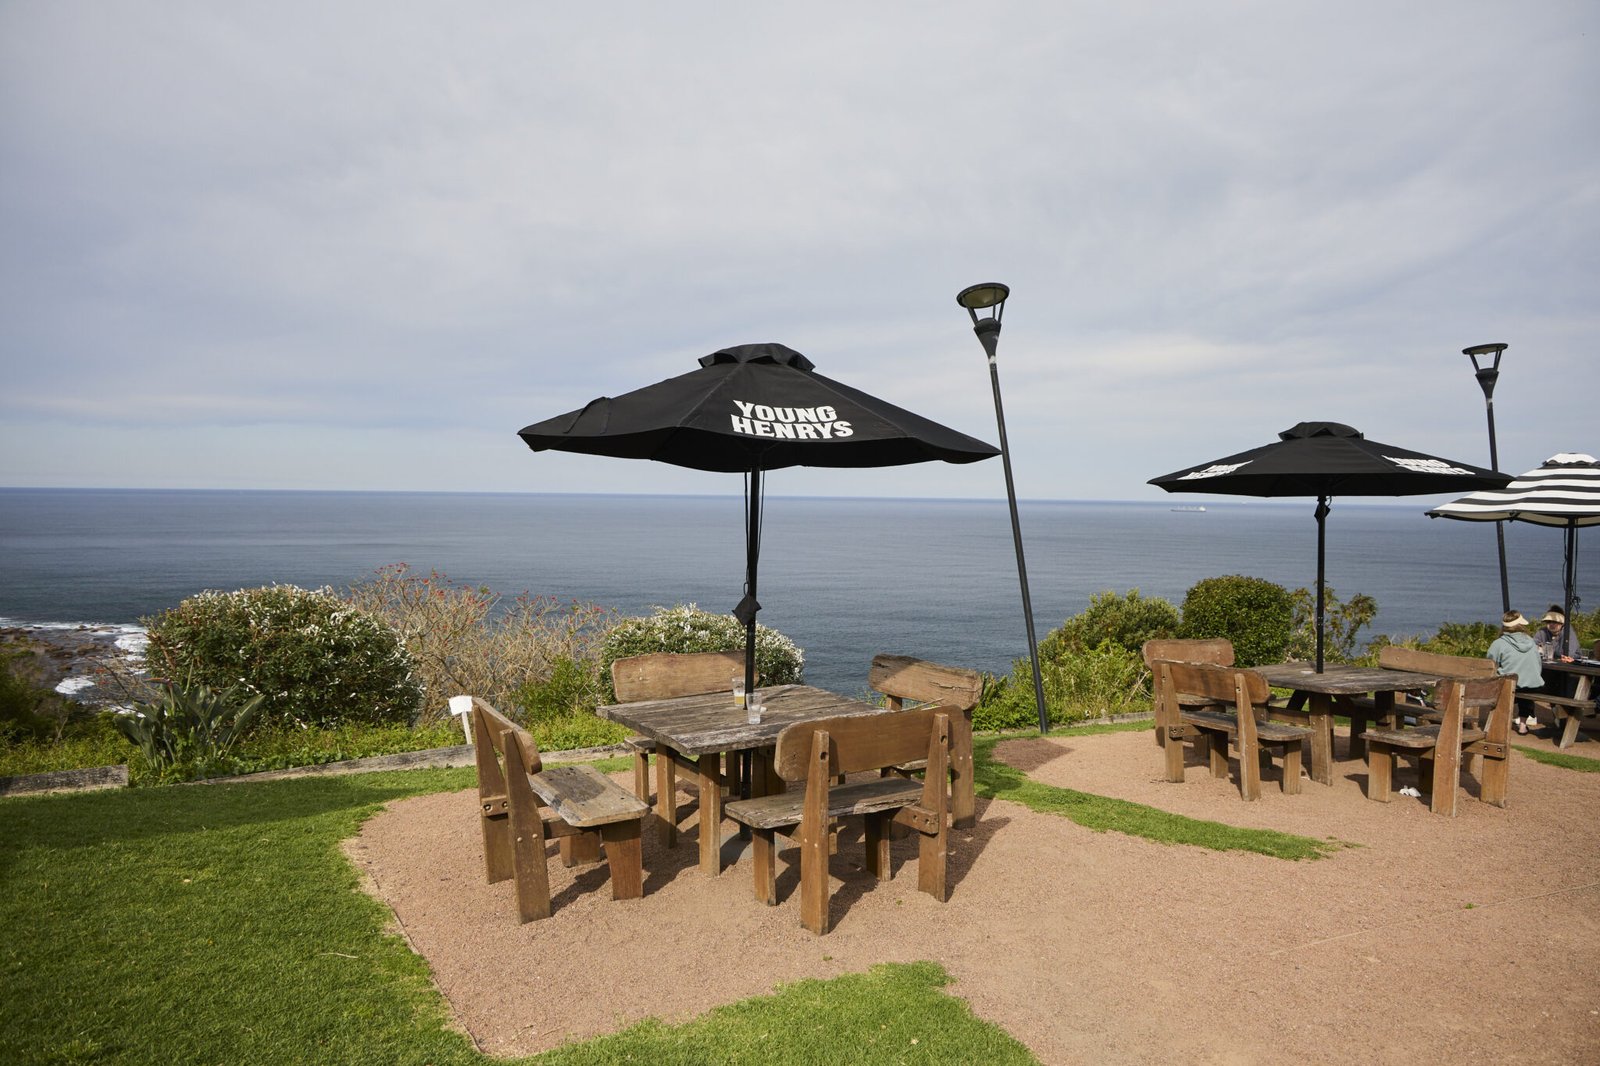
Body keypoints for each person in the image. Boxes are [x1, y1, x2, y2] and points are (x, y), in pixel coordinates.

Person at [1487, 610, 1544, 735]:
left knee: (1502, 684)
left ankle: (1499, 724)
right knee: (1524, 688)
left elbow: (1489, 665)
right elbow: (1538, 664)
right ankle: (1523, 726)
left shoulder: (1499, 643)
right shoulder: (1531, 641)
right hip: (1533, 685)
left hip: (1510, 686)